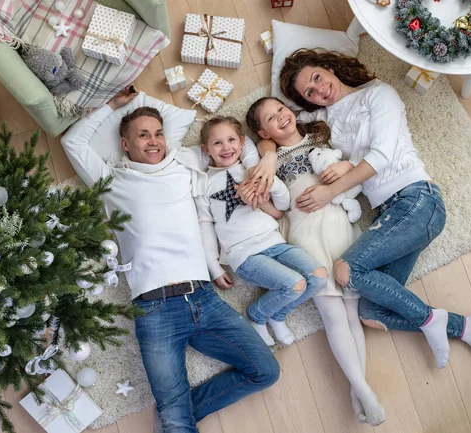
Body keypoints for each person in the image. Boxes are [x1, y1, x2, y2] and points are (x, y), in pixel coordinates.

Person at [248, 48, 471, 373]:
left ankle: (431, 319)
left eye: (317, 78)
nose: (319, 90)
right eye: (309, 92)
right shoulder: (324, 120)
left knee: (347, 271)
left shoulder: (379, 94)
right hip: (389, 216)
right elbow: (281, 131)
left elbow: (379, 156)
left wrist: (331, 191)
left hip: (418, 200)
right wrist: (267, 155)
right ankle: (463, 327)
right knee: (371, 314)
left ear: (329, 67)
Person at [61, 87, 280, 433]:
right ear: (125, 144)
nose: (154, 141)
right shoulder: (111, 179)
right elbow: (73, 143)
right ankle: (175, 416)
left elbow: (237, 143)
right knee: (175, 417)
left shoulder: (185, 161)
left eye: (159, 133)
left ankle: (177, 414)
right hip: (155, 310)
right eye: (143, 135)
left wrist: (267, 158)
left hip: (204, 298)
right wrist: (113, 105)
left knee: (266, 371)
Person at [245, 98, 384, 425]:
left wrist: (348, 167)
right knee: (333, 314)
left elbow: (354, 165)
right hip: (304, 233)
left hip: (339, 226)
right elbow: (277, 208)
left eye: (282, 110)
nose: (281, 117)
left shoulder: (321, 140)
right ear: (263, 131)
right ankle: (365, 392)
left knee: (352, 310)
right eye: (271, 118)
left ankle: (358, 391)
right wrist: (265, 159)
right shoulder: (270, 158)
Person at [195, 116, 328, 347]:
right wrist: (214, 267)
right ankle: (256, 315)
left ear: (241, 142)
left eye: (231, 140)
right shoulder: (203, 183)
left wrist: (267, 183)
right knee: (295, 284)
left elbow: (284, 205)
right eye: (217, 143)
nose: (226, 147)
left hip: (276, 243)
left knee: (319, 277)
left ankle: (276, 315)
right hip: (245, 254)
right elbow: (205, 227)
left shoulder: (253, 169)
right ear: (206, 150)